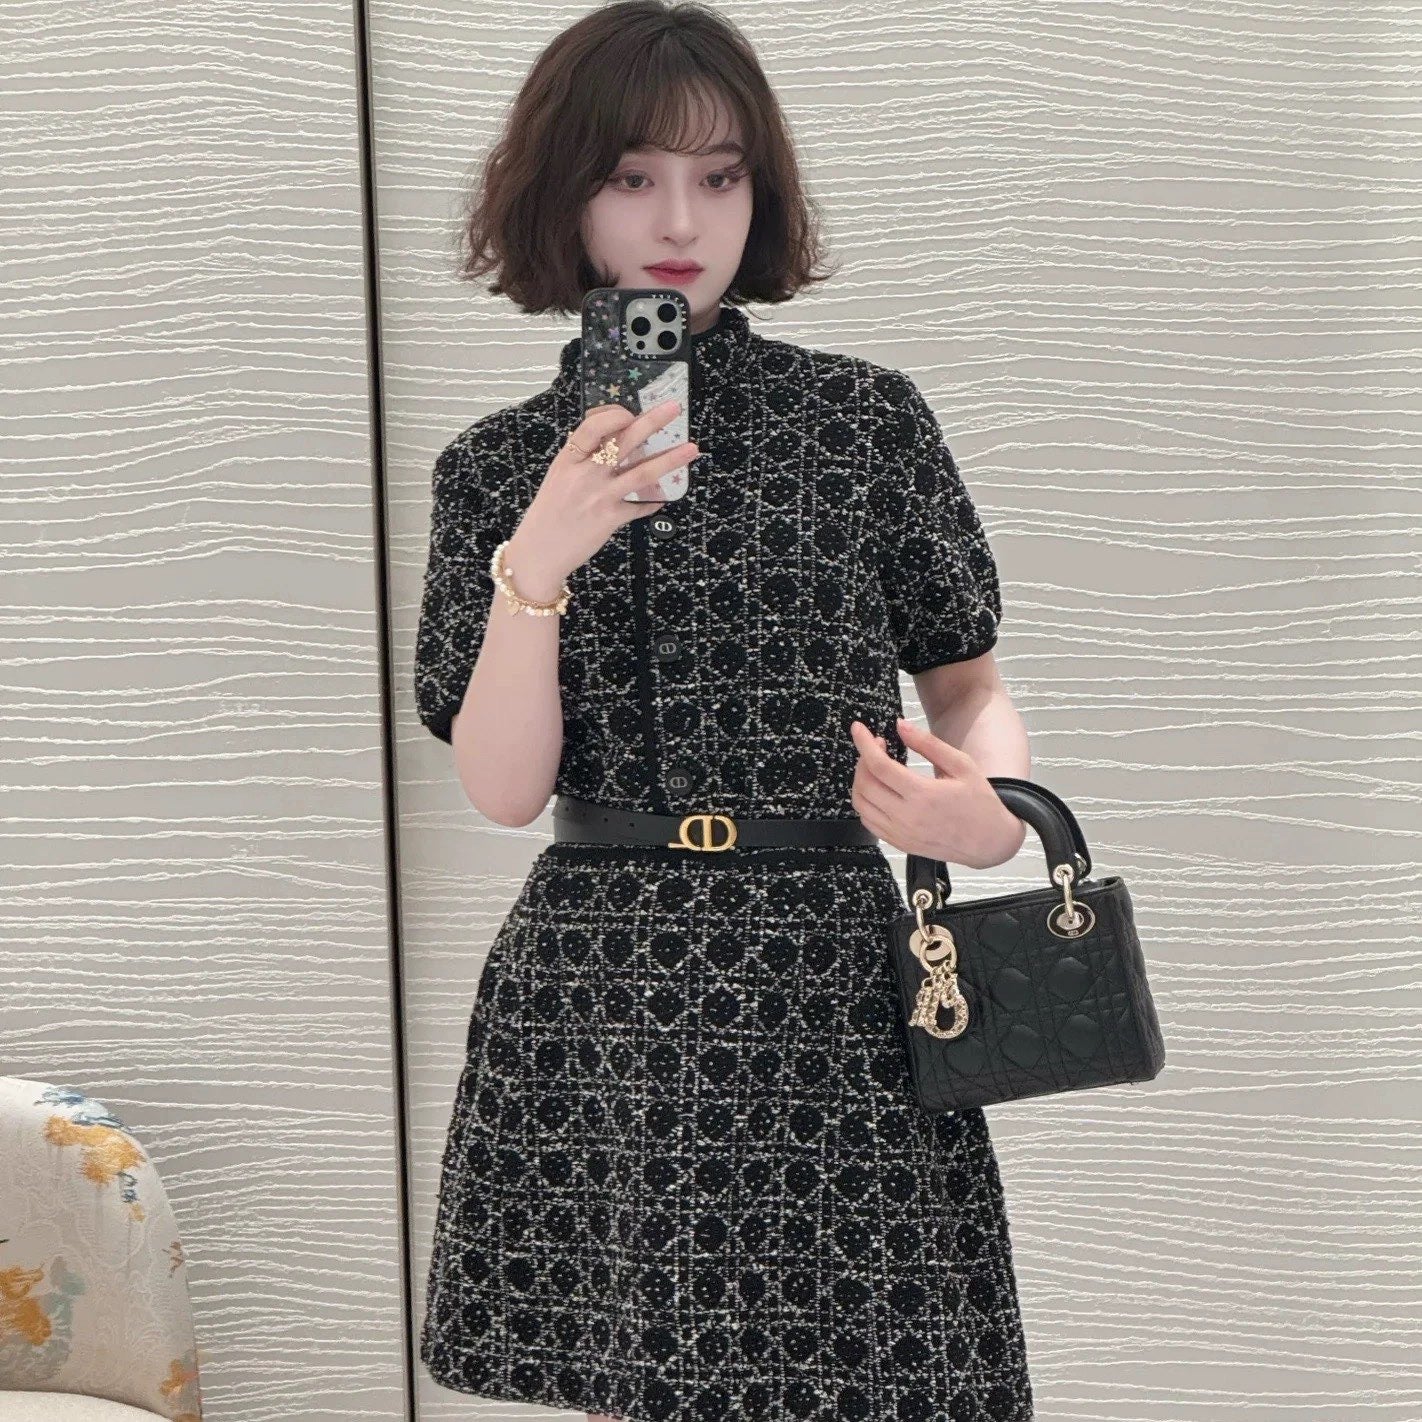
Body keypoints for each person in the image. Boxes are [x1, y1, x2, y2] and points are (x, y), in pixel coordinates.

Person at [413, 3, 1037, 1418]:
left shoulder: (865, 422)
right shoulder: (494, 470)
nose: (681, 220)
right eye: (631, 176)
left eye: (720, 174)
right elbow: (504, 791)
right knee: (638, 1377)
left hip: (831, 969)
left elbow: (968, 682)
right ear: (565, 195)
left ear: (764, 191)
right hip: (604, 984)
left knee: (871, 1373)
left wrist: (984, 818)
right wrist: (538, 559)